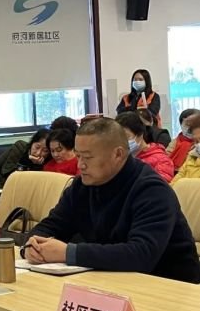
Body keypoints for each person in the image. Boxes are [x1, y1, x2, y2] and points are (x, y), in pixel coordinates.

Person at [22, 118, 200, 284]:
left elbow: (141, 254)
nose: (80, 165)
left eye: (88, 157)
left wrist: (68, 253)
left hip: (167, 286)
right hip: (108, 279)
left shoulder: (151, 189)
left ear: (118, 154)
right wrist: (32, 245)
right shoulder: (81, 186)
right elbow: (51, 225)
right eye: (78, 156)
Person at [116, 112, 174, 182]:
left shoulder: (162, 161)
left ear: (140, 134)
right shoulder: (120, 159)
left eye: (126, 136)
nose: (122, 142)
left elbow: (159, 186)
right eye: (118, 138)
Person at [171, 114, 200, 185]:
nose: (199, 144)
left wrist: (183, 184)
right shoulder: (192, 156)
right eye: (196, 141)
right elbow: (176, 180)